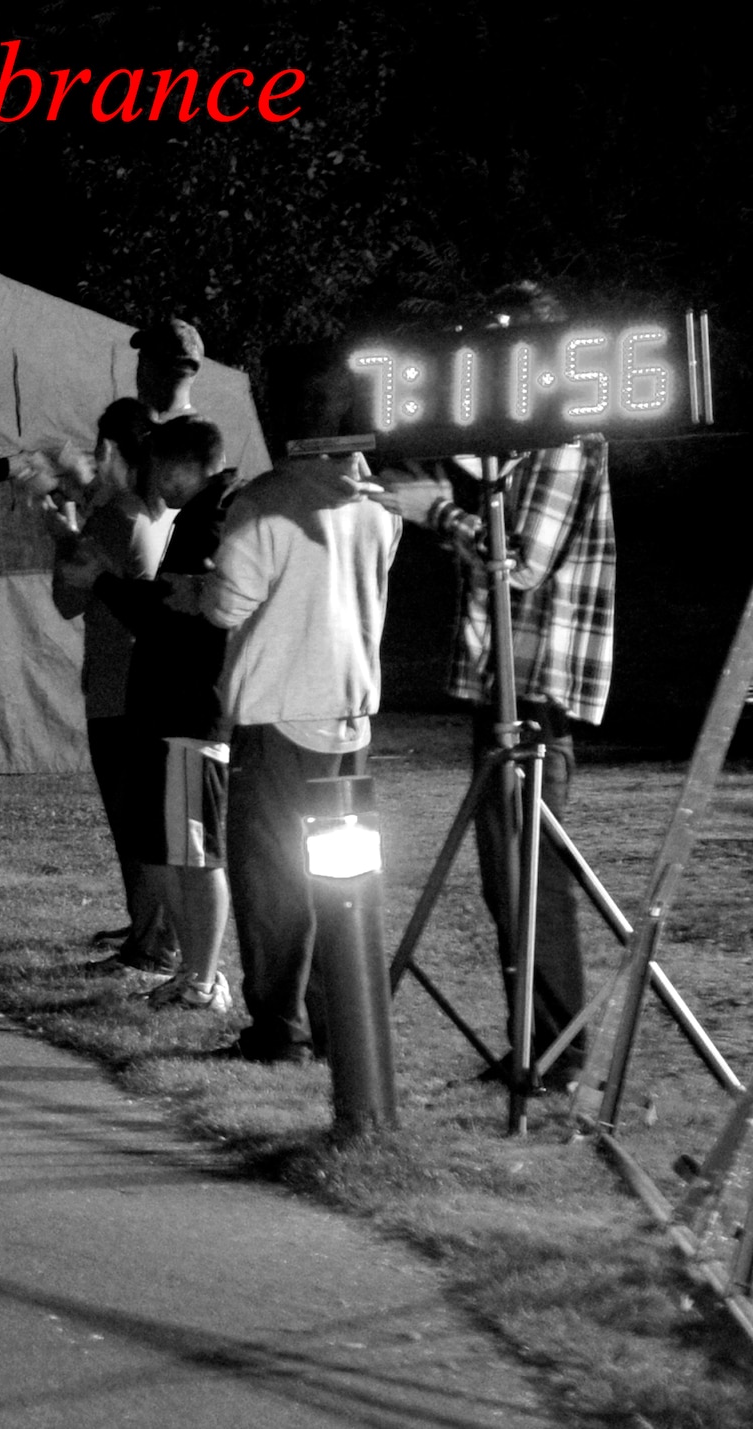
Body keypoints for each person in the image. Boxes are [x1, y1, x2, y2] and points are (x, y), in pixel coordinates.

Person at [379, 283, 614, 1089]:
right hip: (501, 687)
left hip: (538, 693)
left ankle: (556, 1055)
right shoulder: (509, 445)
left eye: (503, 341)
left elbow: (520, 567)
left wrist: (439, 512)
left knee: (531, 879)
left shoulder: (567, 435)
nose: (481, 358)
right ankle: (534, 1046)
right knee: (502, 880)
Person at [194, 369, 401, 1063]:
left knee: (272, 881)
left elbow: (226, 604)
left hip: (278, 711)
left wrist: (200, 586)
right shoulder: (380, 506)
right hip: (351, 713)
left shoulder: (264, 501)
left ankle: (280, 1031)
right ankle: (344, 1021)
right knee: (341, 883)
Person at [61, 417, 236, 1014]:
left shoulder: (212, 521)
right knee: (170, 849)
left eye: (161, 467)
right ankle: (193, 969)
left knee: (193, 851)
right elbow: (171, 609)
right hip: (171, 706)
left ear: (187, 465)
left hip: (189, 708)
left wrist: (104, 581)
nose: (155, 480)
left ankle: (205, 979)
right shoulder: (202, 517)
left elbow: (173, 622)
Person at [34, 397, 180, 978]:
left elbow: (68, 599)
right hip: (156, 685)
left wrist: (63, 537)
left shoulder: (113, 519)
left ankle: (152, 948)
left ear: (111, 450)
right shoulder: (161, 512)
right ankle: (150, 931)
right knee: (154, 822)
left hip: (118, 688)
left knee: (135, 825)